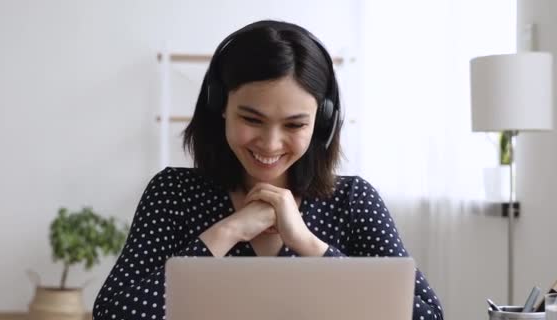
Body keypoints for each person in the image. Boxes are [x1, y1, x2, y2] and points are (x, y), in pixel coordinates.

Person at [93, 20, 443, 320]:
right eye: (252, 119)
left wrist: (307, 244)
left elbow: (426, 314)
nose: (270, 144)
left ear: (321, 124)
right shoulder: (174, 193)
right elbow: (113, 313)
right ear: (220, 106)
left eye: (294, 125)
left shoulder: (352, 200)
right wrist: (228, 231)